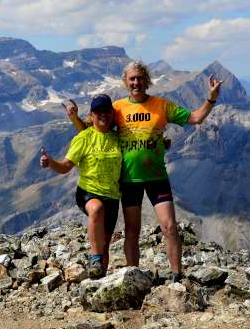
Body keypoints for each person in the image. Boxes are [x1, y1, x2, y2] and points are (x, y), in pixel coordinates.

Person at [67, 61, 222, 283]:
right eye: (132, 79)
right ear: (126, 82)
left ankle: (177, 277)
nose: (136, 82)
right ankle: (133, 277)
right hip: (129, 179)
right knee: (132, 231)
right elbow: (95, 130)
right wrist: (74, 119)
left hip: (157, 177)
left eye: (140, 78)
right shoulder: (117, 108)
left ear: (146, 80)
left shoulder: (162, 105)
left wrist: (211, 98)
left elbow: (195, 118)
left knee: (169, 226)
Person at [41, 94, 121, 278]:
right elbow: (66, 166)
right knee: (97, 209)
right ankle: (94, 259)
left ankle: (99, 280)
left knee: (105, 245)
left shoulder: (118, 138)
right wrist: (50, 162)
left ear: (112, 113)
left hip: (113, 196)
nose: (103, 114)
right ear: (91, 115)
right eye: (98, 111)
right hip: (88, 192)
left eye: (106, 111)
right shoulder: (83, 138)